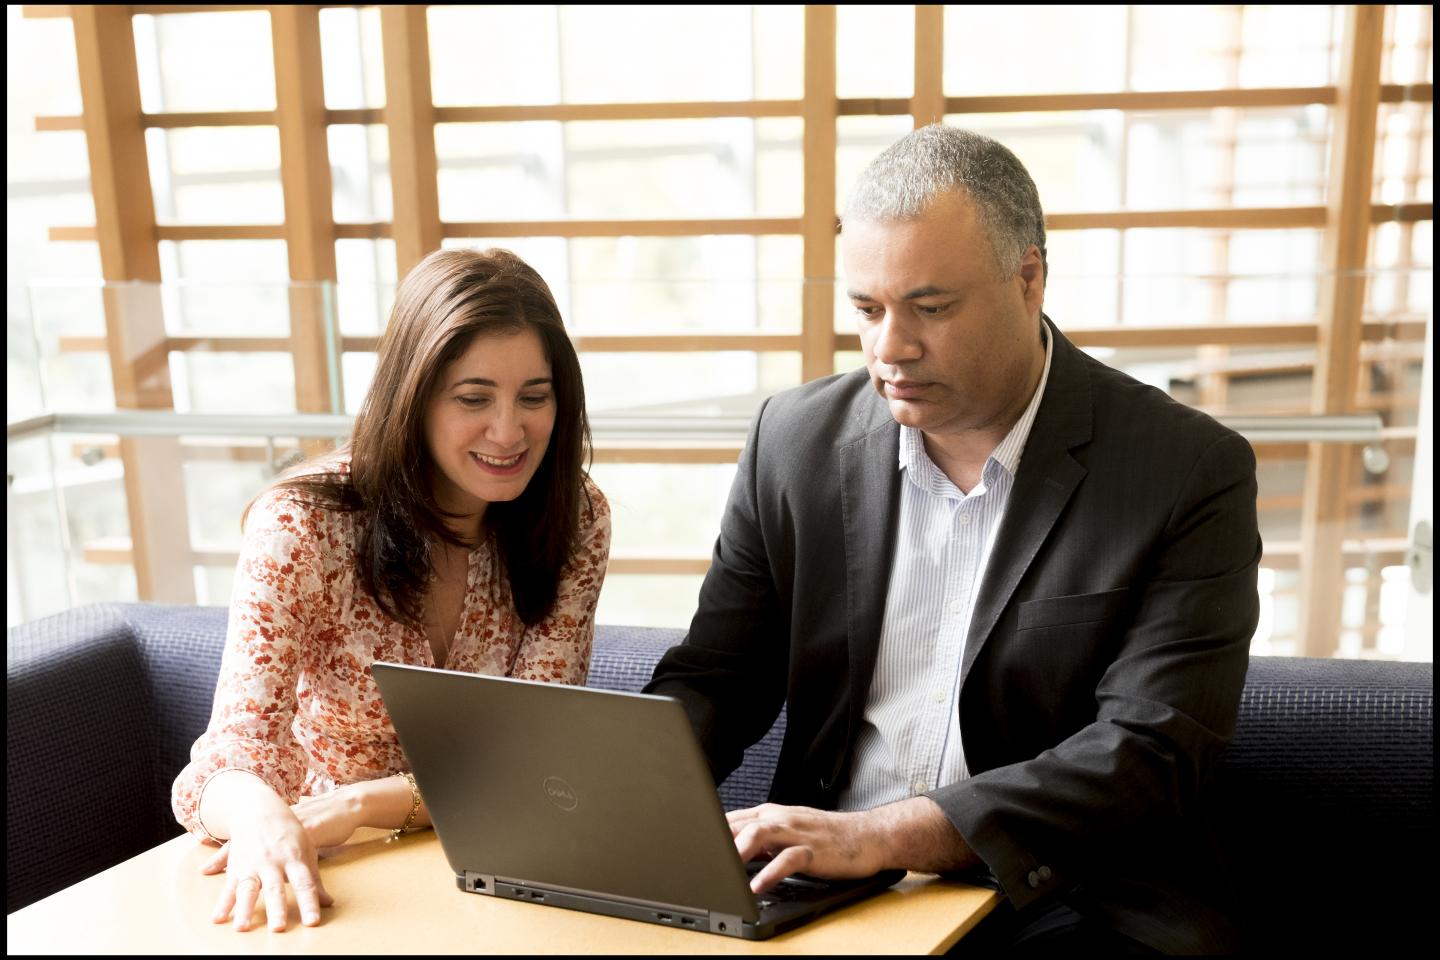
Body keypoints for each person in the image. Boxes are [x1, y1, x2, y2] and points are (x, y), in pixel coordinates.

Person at [645, 125, 1260, 954]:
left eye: (930, 309)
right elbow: (719, 676)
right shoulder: (793, 443)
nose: (889, 348)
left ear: (1029, 278)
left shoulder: (1183, 469)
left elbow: (1150, 753)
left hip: (1069, 897)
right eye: (867, 310)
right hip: (832, 892)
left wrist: (883, 834)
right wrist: (612, 800)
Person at [172, 247, 611, 933]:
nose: (508, 431)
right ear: (414, 395)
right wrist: (262, 818)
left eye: (534, 396)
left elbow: (533, 759)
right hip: (329, 872)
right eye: (473, 398)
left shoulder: (574, 516)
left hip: (494, 867)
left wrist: (361, 804)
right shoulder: (302, 525)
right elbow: (224, 760)